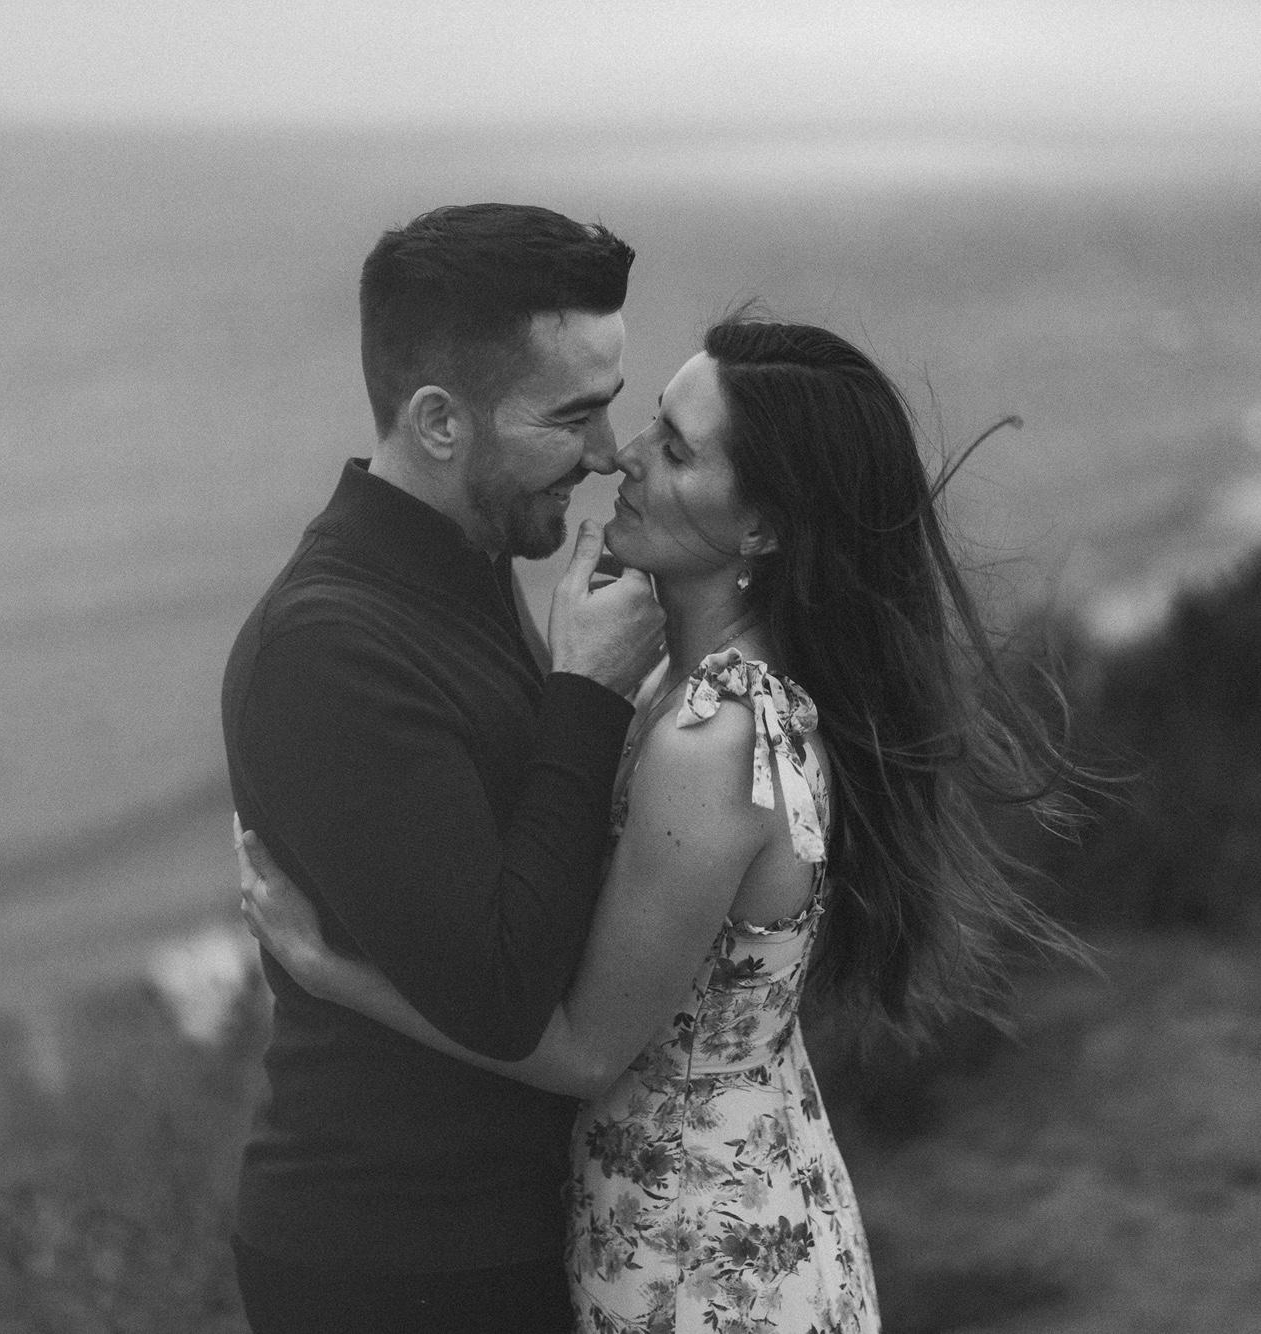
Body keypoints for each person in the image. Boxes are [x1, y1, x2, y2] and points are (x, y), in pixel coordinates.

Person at [238, 316, 1082, 1332]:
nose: (623, 457)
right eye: (652, 423)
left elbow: (584, 1052)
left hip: (700, 1260)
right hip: (732, 1208)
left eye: (677, 451)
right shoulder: (687, 689)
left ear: (761, 529)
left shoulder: (710, 740)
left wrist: (334, 972)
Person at [220, 202, 666, 1334]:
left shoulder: (467, 562)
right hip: (392, 1259)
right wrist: (587, 696)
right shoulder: (327, 649)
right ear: (436, 421)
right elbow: (503, 994)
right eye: (571, 416)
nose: (608, 454)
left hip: (505, 1227)